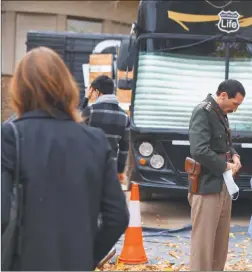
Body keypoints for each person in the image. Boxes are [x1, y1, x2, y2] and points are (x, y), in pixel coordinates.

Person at [1, 47, 129, 271]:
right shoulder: (95, 140)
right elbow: (117, 216)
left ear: (19, 90)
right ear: (67, 87)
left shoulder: (10, 136)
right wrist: (87, 256)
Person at [188, 79, 245, 271]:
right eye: (235, 104)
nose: (235, 109)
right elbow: (199, 150)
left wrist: (235, 156)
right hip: (206, 186)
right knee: (203, 246)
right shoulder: (203, 111)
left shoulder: (220, 113)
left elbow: (224, 144)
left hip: (223, 185)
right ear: (222, 95)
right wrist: (226, 166)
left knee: (220, 245)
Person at [80, 75, 130, 184]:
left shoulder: (90, 111)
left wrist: (86, 98)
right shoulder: (124, 116)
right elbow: (124, 149)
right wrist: (120, 171)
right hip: (110, 171)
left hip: (89, 168)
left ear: (97, 92)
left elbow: (75, 126)